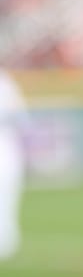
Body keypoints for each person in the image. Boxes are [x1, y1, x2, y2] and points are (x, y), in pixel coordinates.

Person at [0, 69, 27, 261]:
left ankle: (6, 241)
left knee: (8, 193)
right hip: (7, 144)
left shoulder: (6, 83)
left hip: (5, 143)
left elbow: (20, 116)